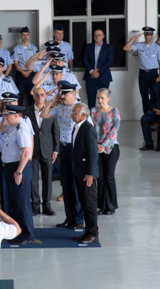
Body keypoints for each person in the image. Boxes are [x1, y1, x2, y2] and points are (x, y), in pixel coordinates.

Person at [39, 81, 84, 229]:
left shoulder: (80, 108)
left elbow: (87, 132)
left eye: (65, 93)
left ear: (73, 93)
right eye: (61, 93)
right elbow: (43, 114)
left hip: (75, 149)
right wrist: (52, 99)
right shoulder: (60, 107)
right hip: (63, 149)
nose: (63, 96)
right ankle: (70, 218)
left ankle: (78, 219)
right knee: (66, 185)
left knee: (76, 186)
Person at [0, 104, 37, 244]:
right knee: (15, 202)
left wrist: (19, 171)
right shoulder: (14, 126)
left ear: (16, 115)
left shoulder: (22, 128)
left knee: (22, 202)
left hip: (18, 168)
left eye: (8, 115)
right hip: (11, 168)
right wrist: (4, 120)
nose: (5, 117)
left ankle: (27, 235)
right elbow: (2, 129)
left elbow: (26, 152)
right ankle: (18, 231)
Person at [23, 87, 59, 216]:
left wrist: (56, 150)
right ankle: (35, 206)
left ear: (45, 96)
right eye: (37, 95)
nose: (39, 97)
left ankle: (47, 206)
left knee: (47, 179)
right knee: (33, 180)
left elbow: (55, 131)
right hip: (32, 151)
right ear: (33, 96)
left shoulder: (51, 111)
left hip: (47, 150)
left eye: (42, 95)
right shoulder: (26, 111)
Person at [70, 103, 99, 244]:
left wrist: (90, 173)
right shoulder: (77, 127)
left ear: (83, 115)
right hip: (79, 172)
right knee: (83, 201)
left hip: (87, 174)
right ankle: (88, 231)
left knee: (89, 204)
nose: (72, 114)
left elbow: (93, 154)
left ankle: (93, 233)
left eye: (74, 112)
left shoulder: (88, 129)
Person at [90, 89, 121, 215]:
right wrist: (95, 145)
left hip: (110, 148)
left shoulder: (114, 112)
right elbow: (90, 129)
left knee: (109, 177)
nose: (100, 101)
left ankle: (111, 205)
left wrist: (102, 146)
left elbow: (114, 131)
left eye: (102, 98)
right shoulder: (93, 111)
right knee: (100, 178)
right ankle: (102, 205)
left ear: (108, 98)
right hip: (96, 148)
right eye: (98, 98)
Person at [123, 26, 160, 113]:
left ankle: (155, 114)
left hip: (153, 73)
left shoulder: (157, 47)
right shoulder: (140, 45)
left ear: (152, 35)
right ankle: (146, 115)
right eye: (145, 35)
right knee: (144, 96)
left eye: (149, 35)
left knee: (155, 95)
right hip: (142, 74)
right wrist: (134, 38)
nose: (147, 37)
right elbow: (126, 48)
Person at [82, 29, 114, 109]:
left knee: (103, 99)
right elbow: (84, 60)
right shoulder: (88, 47)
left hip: (103, 76)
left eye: (99, 35)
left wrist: (98, 72)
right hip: (90, 76)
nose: (97, 37)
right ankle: (92, 119)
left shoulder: (108, 47)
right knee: (91, 99)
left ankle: (103, 117)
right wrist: (91, 71)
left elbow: (109, 61)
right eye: (95, 35)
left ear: (103, 36)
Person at [13, 26, 38, 106]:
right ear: (20, 36)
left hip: (31, 75)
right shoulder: (16, 49)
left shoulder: (34, 48)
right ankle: (19, 116)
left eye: (27, 34)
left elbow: (36, 62)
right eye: (23, 35)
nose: (25, 37)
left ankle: (31, 116)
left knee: (32, 96)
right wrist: (23, 72)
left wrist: (29, 71)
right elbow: (16, 64)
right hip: (20, 74)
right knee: (19, 96)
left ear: (29, 36)